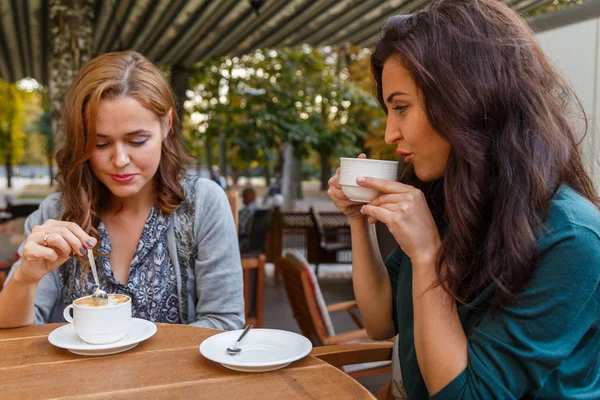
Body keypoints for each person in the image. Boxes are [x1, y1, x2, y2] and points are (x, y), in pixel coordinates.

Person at [327, 1, 600, 398]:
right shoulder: (446, 196)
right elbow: (380, 322)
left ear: (467, 100)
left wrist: (425, 254)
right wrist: (357, 218)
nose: (390, 133)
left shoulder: (570, 240)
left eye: (400, 108)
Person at [0, 51, 244, 330]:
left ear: (167, 124)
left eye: (137, 141)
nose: (119, 160)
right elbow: (13, 337)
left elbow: (224, 321)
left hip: (175, 375)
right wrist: (24, 278)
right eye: (100, 144)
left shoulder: (202, 204)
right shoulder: (56, 212)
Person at [238, 187, 258, 253]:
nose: (242, 200)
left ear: (247, 198)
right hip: (257, 244)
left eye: (243, 198)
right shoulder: (260, 210)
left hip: (244, 243)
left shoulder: (246, 210)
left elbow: (239, 227)